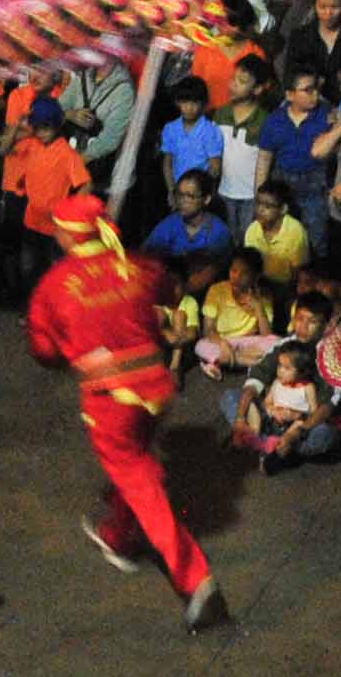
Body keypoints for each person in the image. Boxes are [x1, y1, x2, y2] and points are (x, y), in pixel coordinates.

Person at [28, 194, 217, 628]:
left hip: (111, 397)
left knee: (142, 482)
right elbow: (170, 292)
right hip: (155, 386)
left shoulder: (57, 284)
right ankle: (119, 536)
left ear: (66, 235)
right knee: (137, 467)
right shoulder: (135, 265)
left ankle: (194, 578)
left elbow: (43, 349)